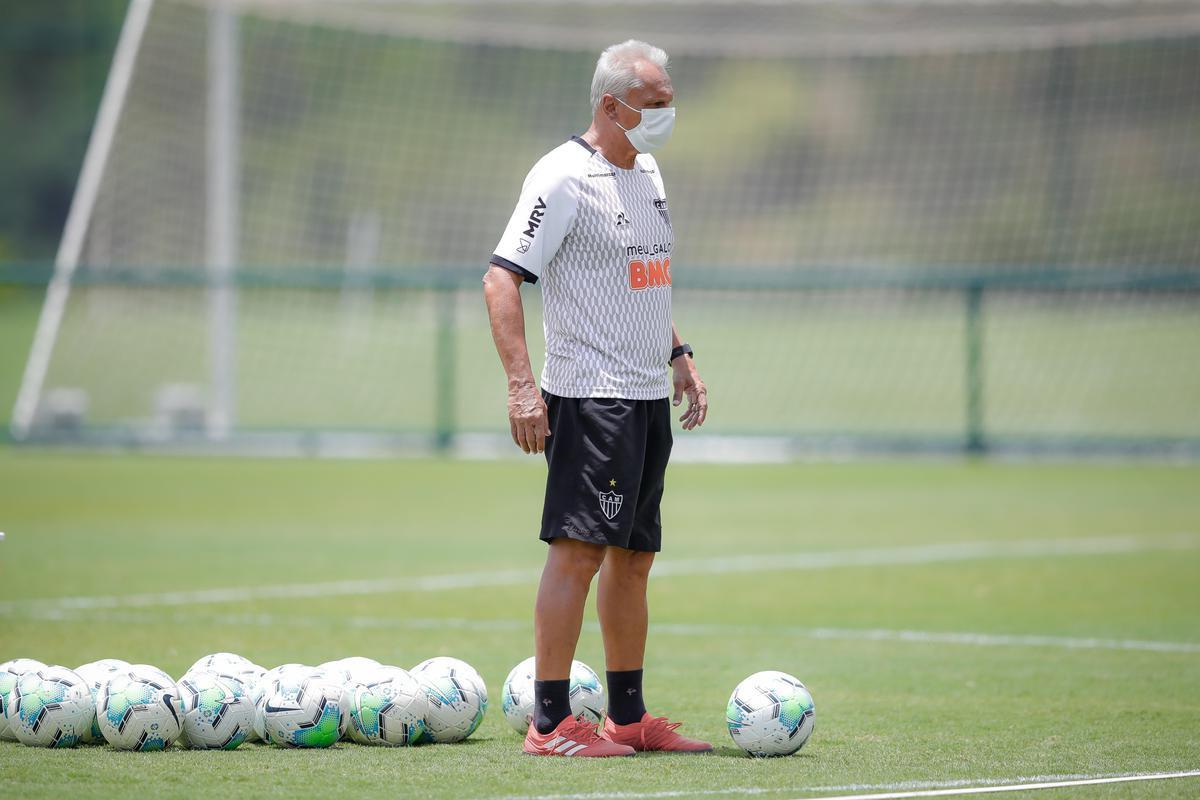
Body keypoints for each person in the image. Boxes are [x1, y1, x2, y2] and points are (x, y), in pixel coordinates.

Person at [483, 40, 710, 758]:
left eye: (670, 101)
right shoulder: (560, 177)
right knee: (579, 552)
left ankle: (628, 718)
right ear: (610, 105)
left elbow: (643, 276)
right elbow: (500, 278)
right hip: (591, 396)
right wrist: (523, 387)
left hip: (645, 397)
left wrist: (678, 354)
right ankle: (550, 726)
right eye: (655, 103)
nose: (667, 115)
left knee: (634, 558)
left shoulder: (648, 171)